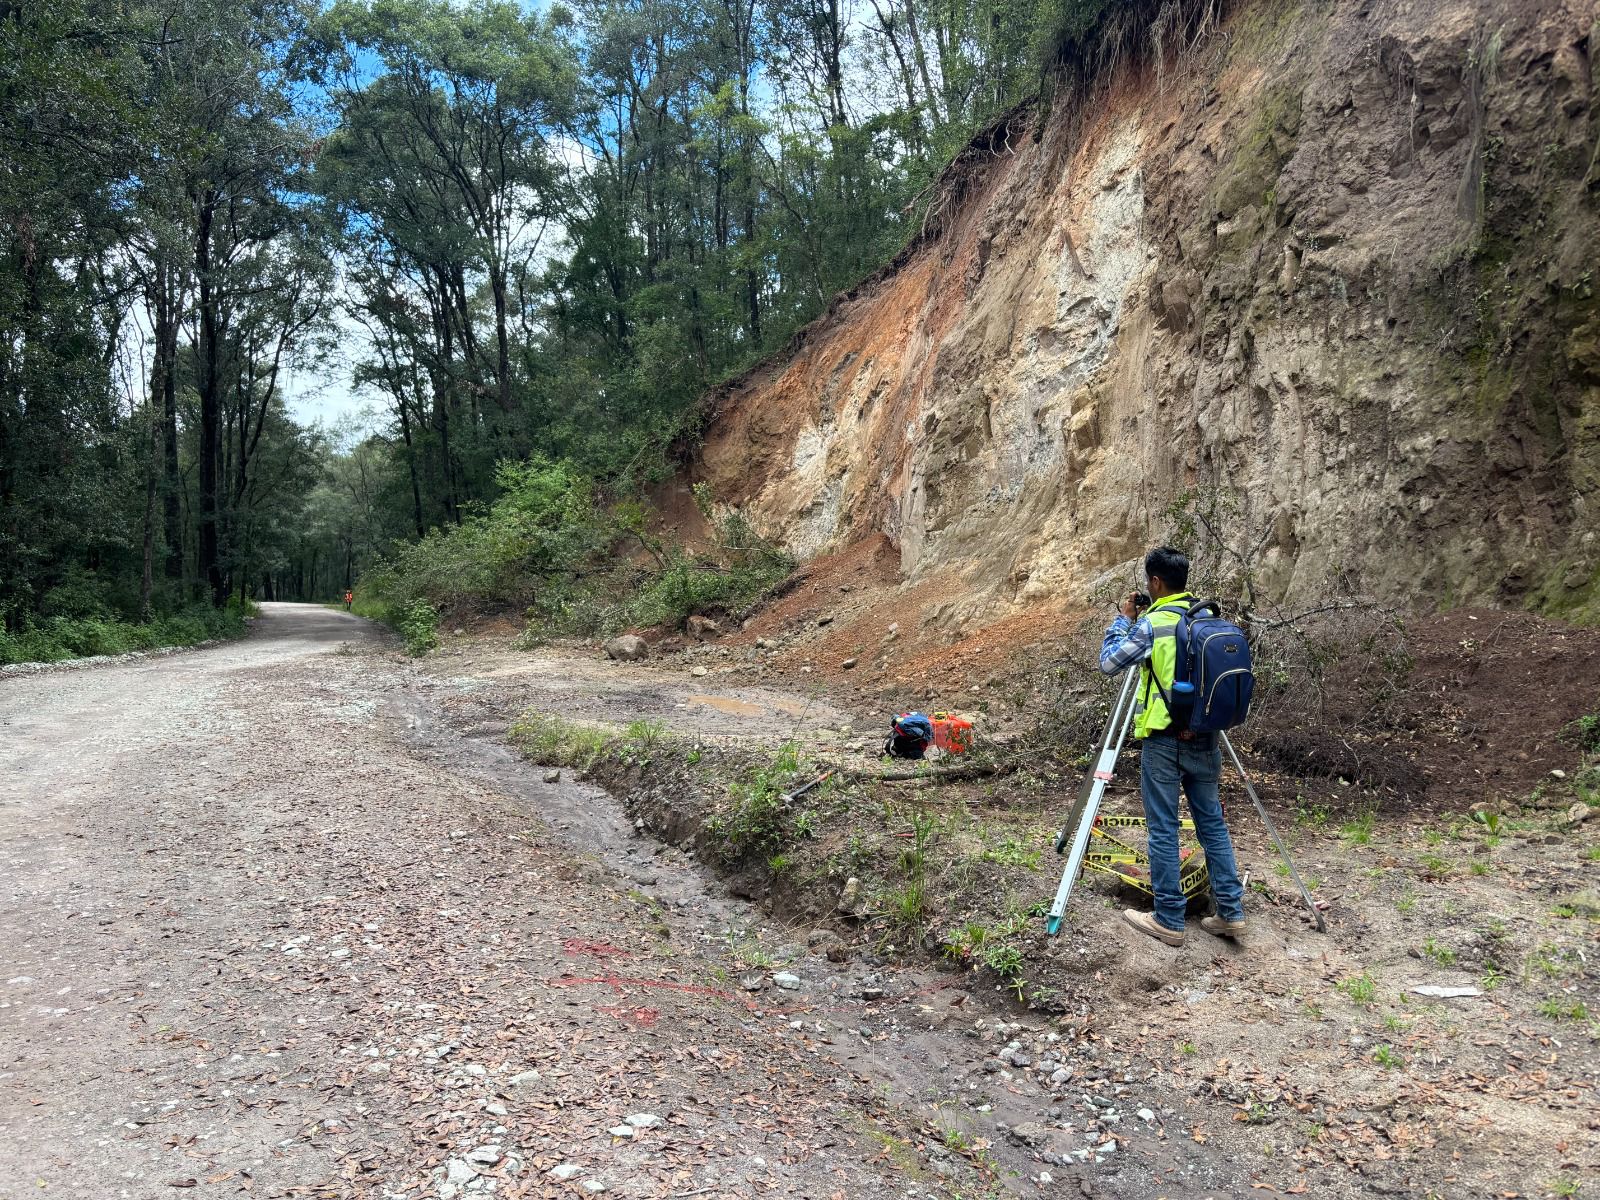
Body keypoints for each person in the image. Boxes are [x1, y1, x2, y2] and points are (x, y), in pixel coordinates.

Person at [1098, 546, 1247, 947]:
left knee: (1163, 829)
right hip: (1206, 737)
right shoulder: (1208, 619)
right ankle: (1230, 912)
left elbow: (1110, 662)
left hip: (1163, 741)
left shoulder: (1154, 623)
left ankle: (1168, 919)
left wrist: (1124, 619)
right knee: (1211, 825)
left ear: (1155, 583)